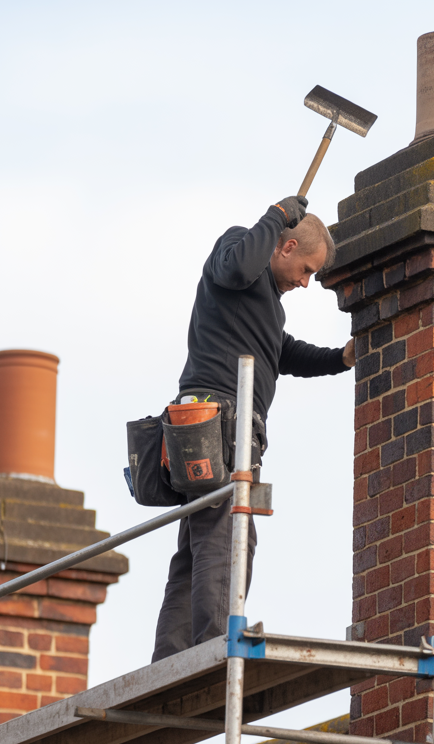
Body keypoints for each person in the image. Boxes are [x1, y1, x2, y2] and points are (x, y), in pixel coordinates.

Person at [152, 195, 355, 661]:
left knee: (198, 542)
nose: (306, 283)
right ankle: (213, 649)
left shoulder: (260, 303)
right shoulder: (238, 254)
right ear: (284, 247)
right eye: (305, 269)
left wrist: (338, 360)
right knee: (228, 531)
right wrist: (274, 216)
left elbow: (279, 351)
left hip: (208, 420)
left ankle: (173, 654)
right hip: (220, 419)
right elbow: (237, 266)